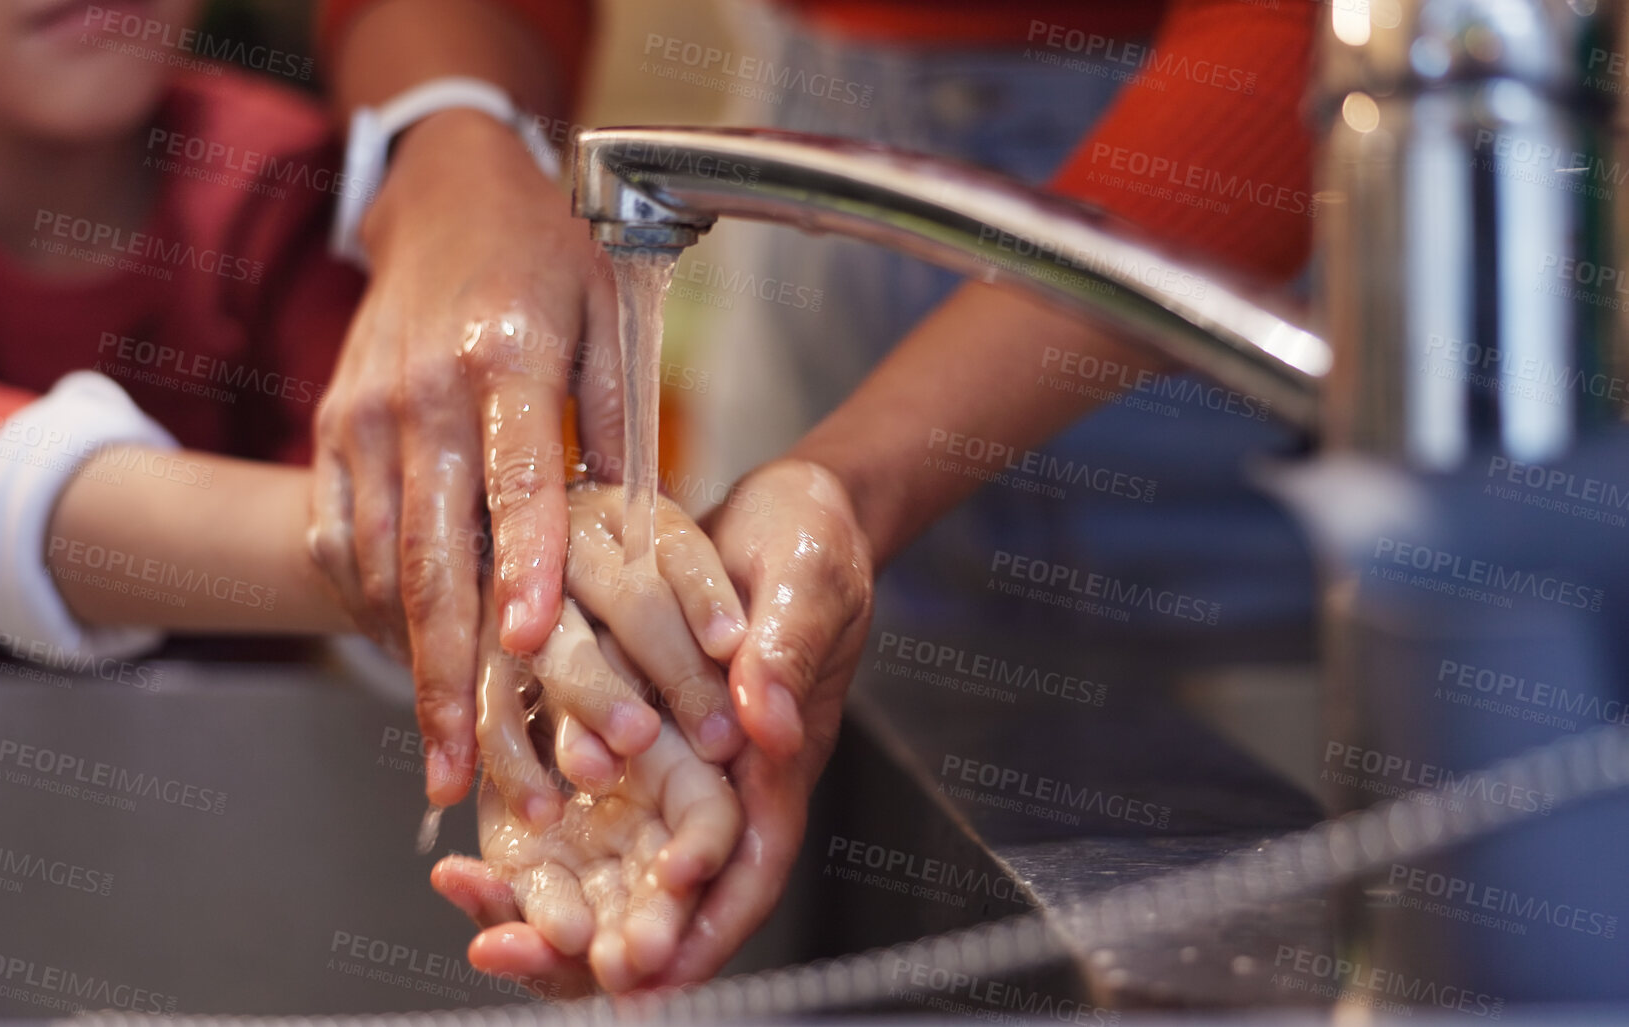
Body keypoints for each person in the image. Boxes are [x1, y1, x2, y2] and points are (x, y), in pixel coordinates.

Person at [0, 0, 750, 984]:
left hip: (207, 876)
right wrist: (505, 563)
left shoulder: (293, 185)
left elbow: (416, 533)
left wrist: (593, 713)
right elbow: (6, 500)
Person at [315, 0, 1318, 992]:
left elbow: (1306, 33)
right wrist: (456, 148)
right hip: (810, 186)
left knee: (1256, 899)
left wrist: (845, 483)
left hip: (1199, 273)